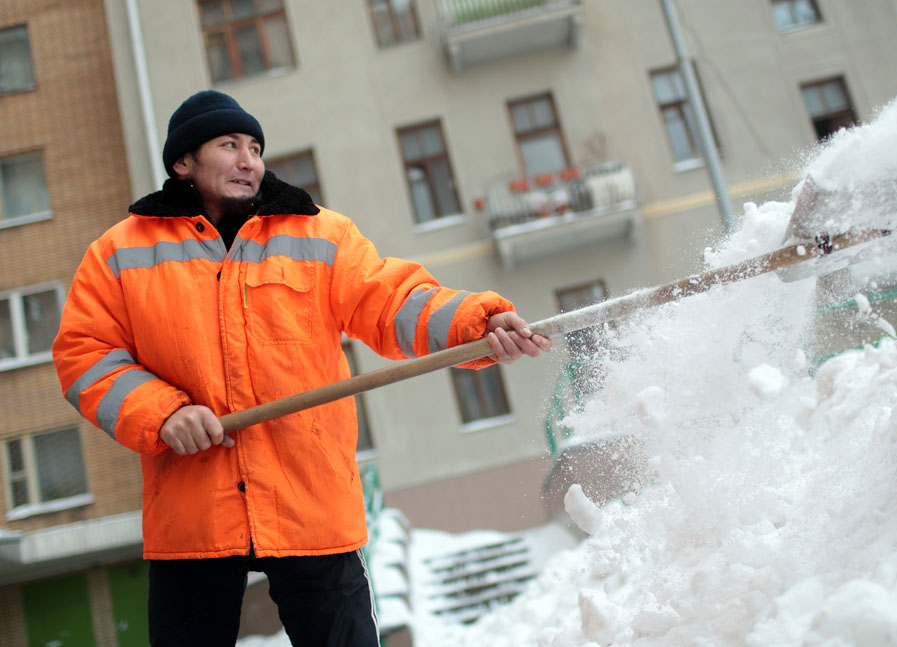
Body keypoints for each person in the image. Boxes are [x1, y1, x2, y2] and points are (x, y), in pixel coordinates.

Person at [51, 90, 550, 646]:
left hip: (308, 500)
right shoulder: (119, 252)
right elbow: (85, 354)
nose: (249, 160)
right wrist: (163, 413)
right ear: (183, 162)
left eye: (255, 148)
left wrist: (472, 324)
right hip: (193, 516)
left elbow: (391, 301)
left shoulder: (317, 234)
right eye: (229, 145)